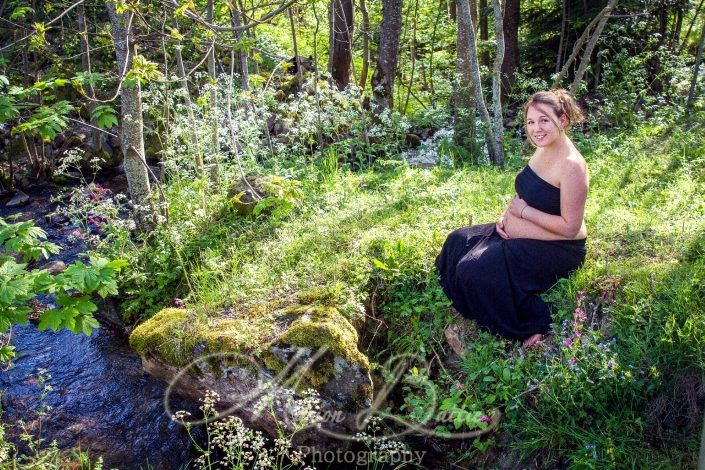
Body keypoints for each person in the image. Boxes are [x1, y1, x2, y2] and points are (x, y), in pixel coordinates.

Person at [435, 89, 588, 349]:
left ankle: (529, 326)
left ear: (562, 120)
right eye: (530, 122)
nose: (536, 128)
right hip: (520, 234)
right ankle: (482, 299)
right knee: (457, 241)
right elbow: (527, 193)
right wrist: (505, 217)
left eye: (544, 120)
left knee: (472, 270)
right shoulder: (542, 149)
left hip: (558, 250)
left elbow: (570, 228)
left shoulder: (572, 165)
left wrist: (523, 214)